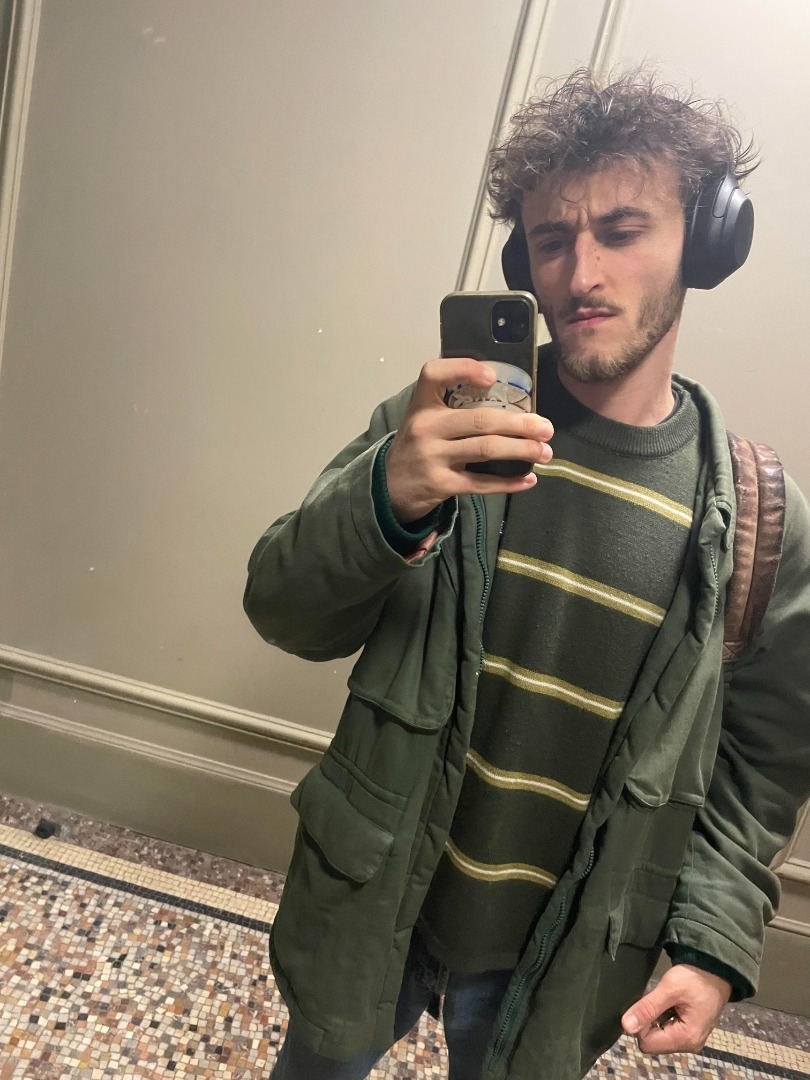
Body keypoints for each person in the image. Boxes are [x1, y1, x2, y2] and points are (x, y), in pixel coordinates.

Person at [243, 67, 810, 1080]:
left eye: (623, 231)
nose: (581, 273)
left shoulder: (761, 521)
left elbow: (762, 765)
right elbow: (285, 610)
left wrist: (713, 940)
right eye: (552, 240)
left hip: (562, 949)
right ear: (524, 263)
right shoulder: (441, 429)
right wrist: (387, 498)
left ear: (706, 242)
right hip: (377, 892)